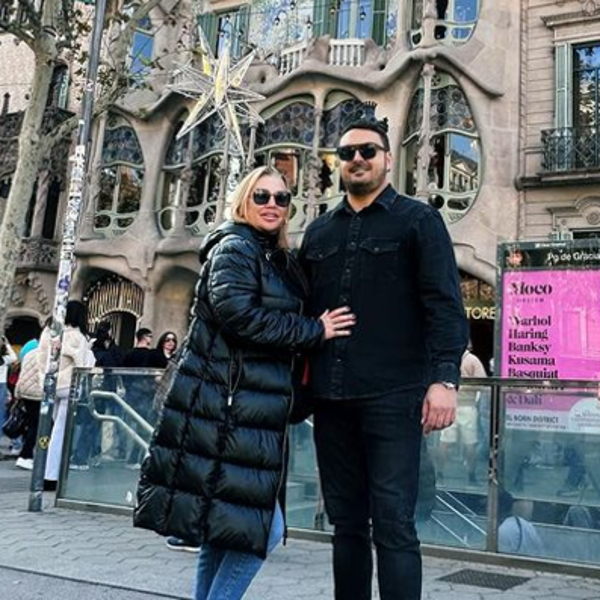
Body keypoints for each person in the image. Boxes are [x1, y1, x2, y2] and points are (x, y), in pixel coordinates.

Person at [134, 166, 355, 600]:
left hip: (243, 407)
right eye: (262, 196)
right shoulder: (235, 247)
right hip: (226, 408)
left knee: (225, 531)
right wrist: (314, 330)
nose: (272, 204)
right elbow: (240, 316)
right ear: (243, 200)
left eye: (281, 198)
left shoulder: (270, 254)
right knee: (263, 532)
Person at [298, 113, 468, 600]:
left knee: (394, 525)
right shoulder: (318, 232)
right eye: (347, 153)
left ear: (387, 159)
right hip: (331, 398)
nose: (356, 159)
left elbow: (444, 306)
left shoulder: (418, 220)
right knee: (346, 524)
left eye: (367, 151)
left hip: (394, 397)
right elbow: (303, 311)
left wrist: (444, 380)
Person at [41, 301, 95, 491]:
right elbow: (82, 363)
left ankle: (45, 469)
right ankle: (51, 474)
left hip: (49, 382)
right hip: (67, 384)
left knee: (52, 426)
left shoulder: (49, 332)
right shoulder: (78, 336)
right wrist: (83, 349)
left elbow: (42, 357)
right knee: (61, 430)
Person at [437, 344, 487, 486]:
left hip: (446, 405)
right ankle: (471, 476)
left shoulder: (445, 360)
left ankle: (439, 474)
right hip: (467, 406)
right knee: (470, 443)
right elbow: (482, 382)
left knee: (445, 442)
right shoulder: (472, 360)